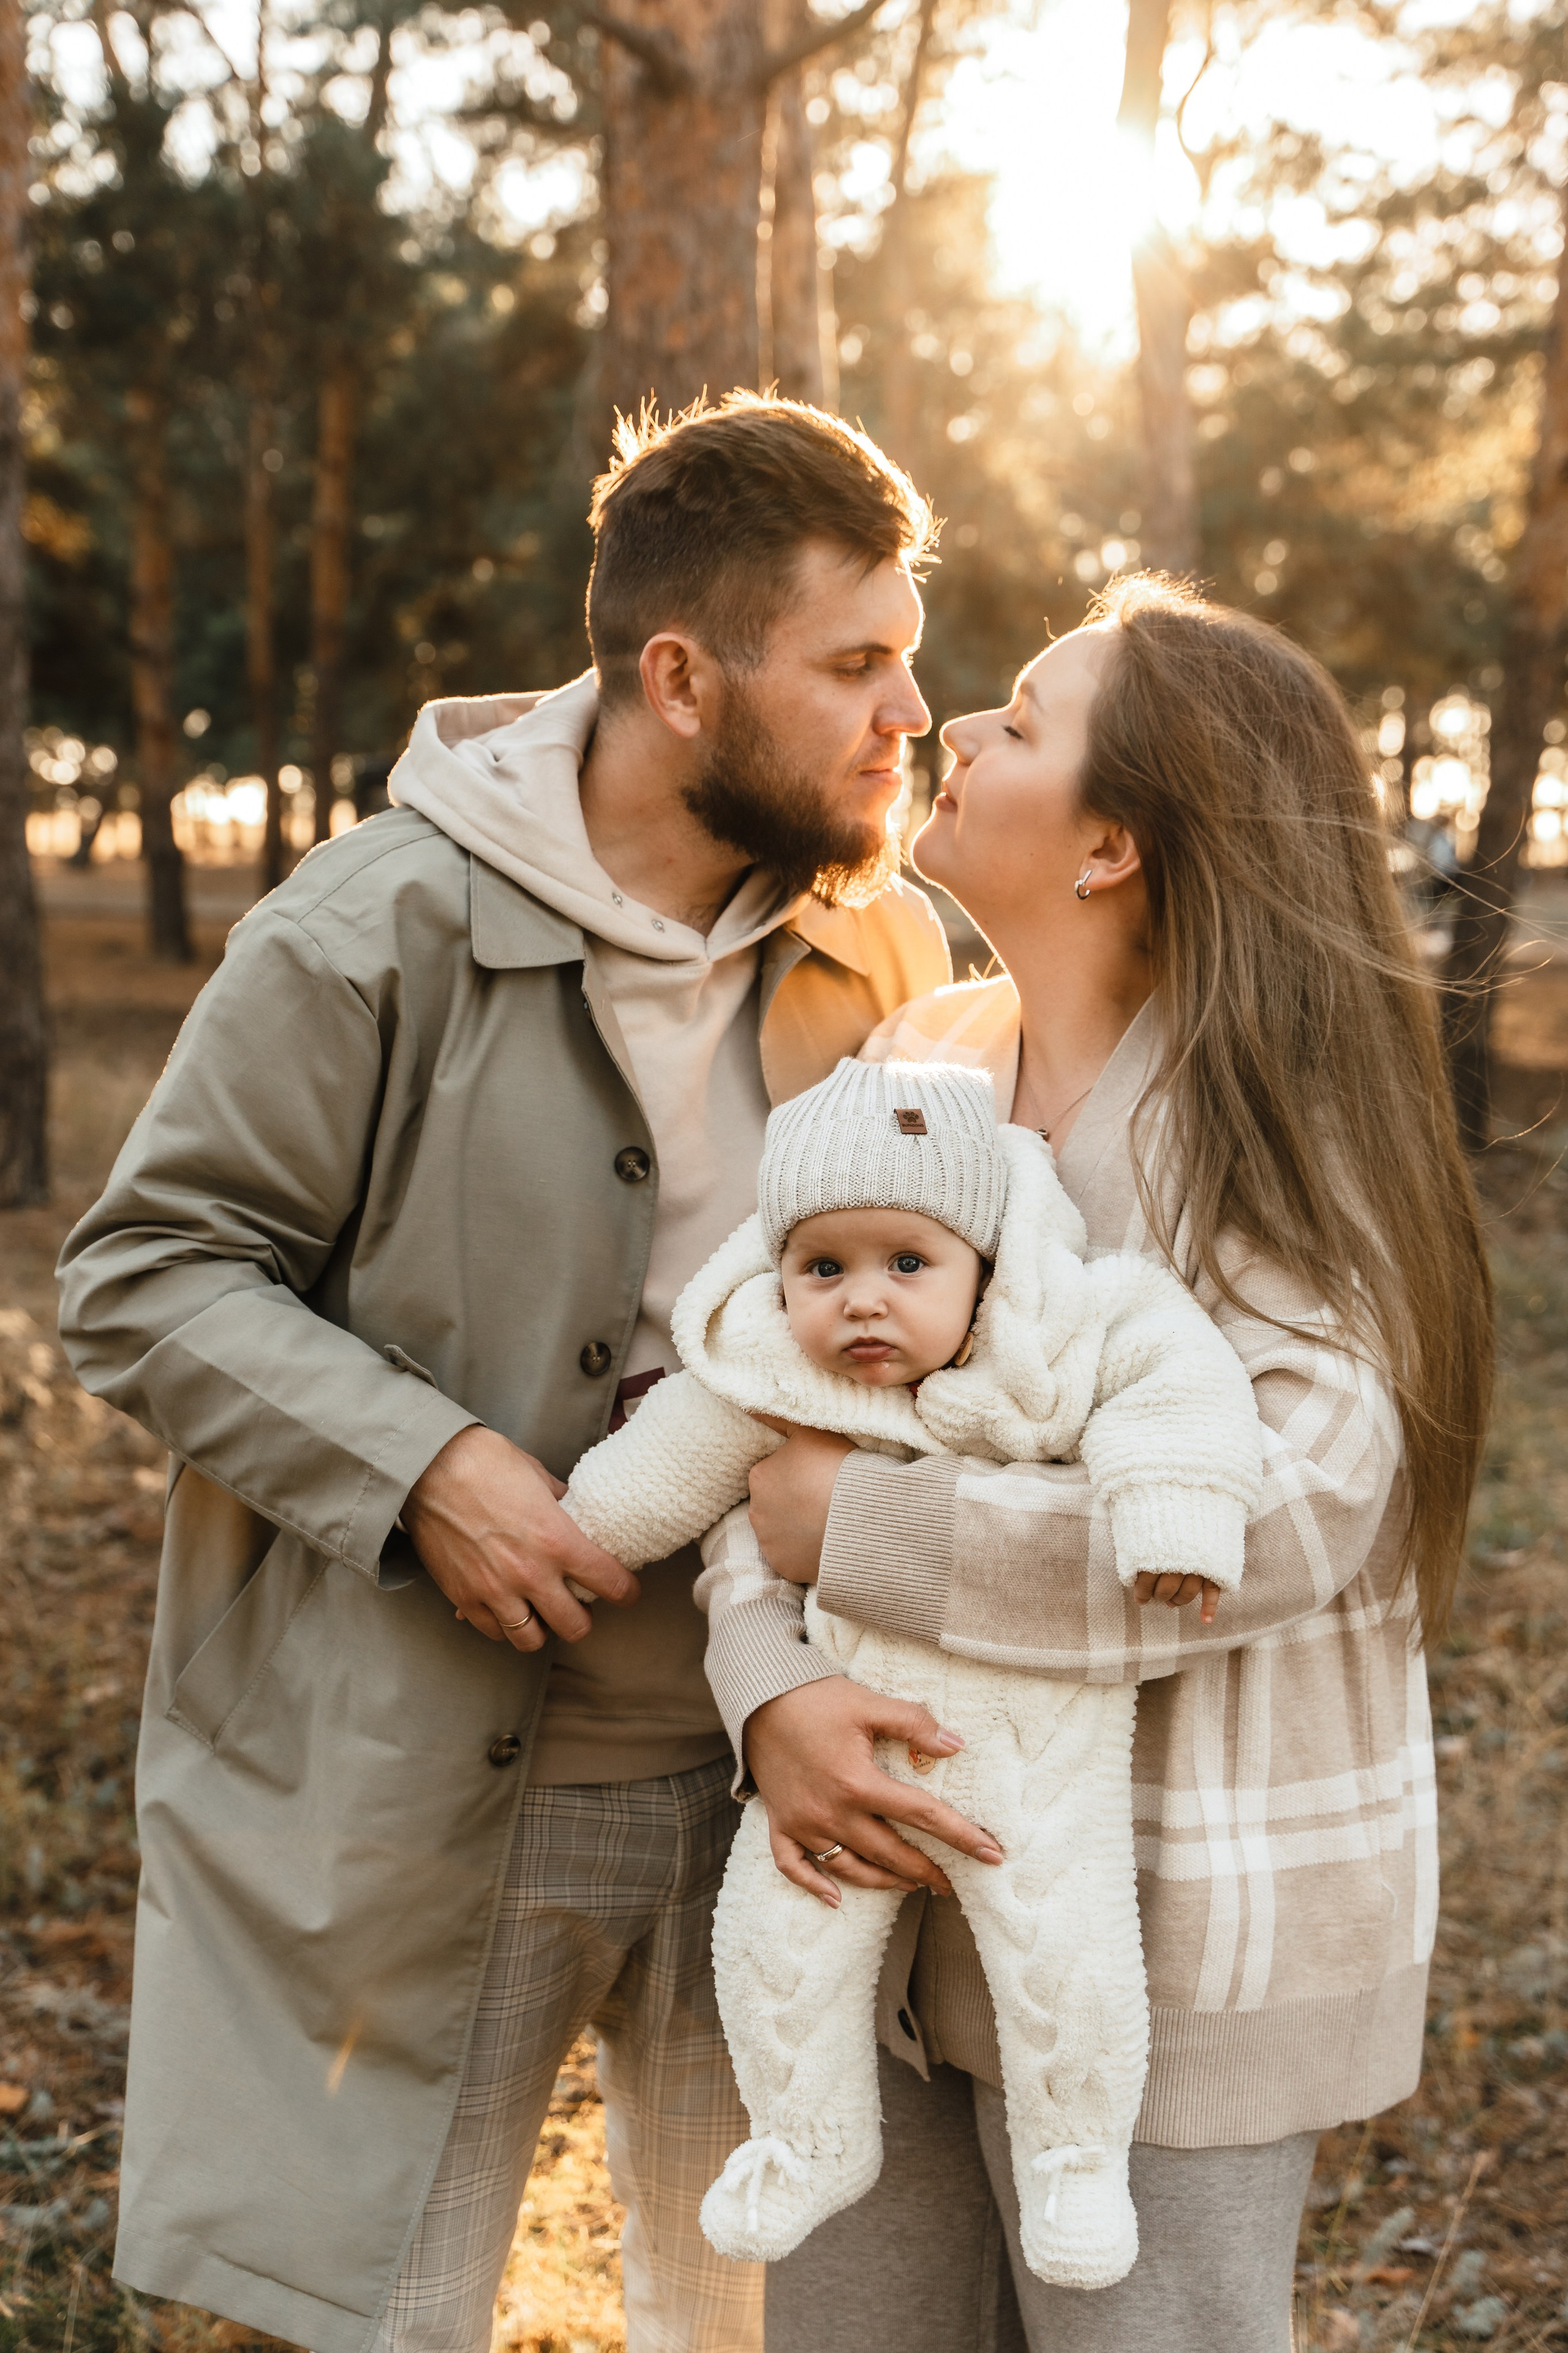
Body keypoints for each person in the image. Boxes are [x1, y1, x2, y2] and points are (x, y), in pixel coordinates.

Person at [53, 393, 958, 2353]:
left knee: (753, 2324)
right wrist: (429, 1464)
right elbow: (142, 1268)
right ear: (679, 676)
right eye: (858, 664)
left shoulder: (897, 950)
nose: (914, 713)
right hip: (432, 1784)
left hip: (779, 1775)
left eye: (914, 656)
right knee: (383, 2314)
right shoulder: (367, 929)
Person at [701, 575, 1494, 2352]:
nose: (954, 732)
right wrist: (769, 1693)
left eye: (1023, 721)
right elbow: (772, 1424)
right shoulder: (924, 1077)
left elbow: (1278, 1515)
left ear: (1115, 843)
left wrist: (874, 1535)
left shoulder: (1275, 1139)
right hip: (878, 1891)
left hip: (1163, 1937)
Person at [556, 1051, 1261, 2286]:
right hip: (841, 1736)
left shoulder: (1064, 1333)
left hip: (1032, 1739)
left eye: (905, 1264)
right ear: (777, 1272)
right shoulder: (768, 1365)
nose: (861, 1301)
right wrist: (577, 1538)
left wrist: (1173, 1519)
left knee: (1066, 1949)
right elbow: (663, 1461)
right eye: (822, 1267)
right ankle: (805, 2136)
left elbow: (1179, 1383)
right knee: (773, 1937)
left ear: (980, 1265)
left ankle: (1072, 2161)